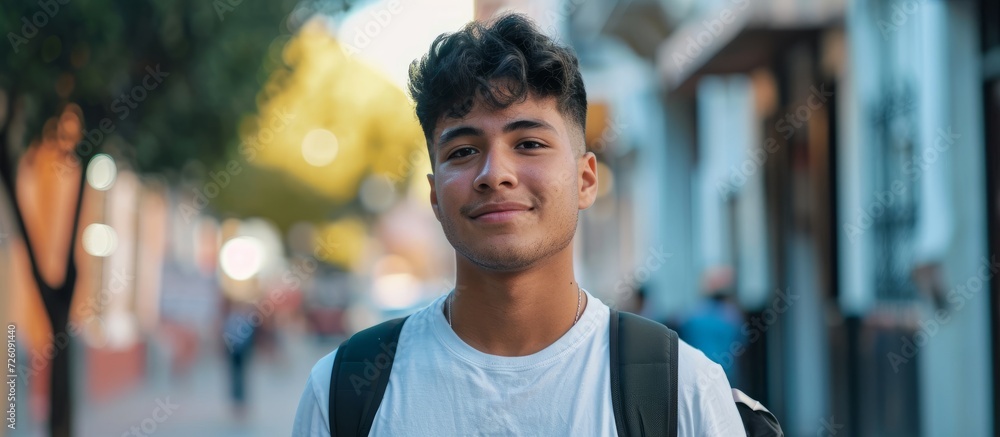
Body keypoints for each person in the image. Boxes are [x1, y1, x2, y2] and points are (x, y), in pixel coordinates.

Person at [293, 13, 744, 436]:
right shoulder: (344, 392)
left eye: (528, 143)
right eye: (463, 151)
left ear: (585, 180)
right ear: (434, 196)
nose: (495, 173)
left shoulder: (684, 391)